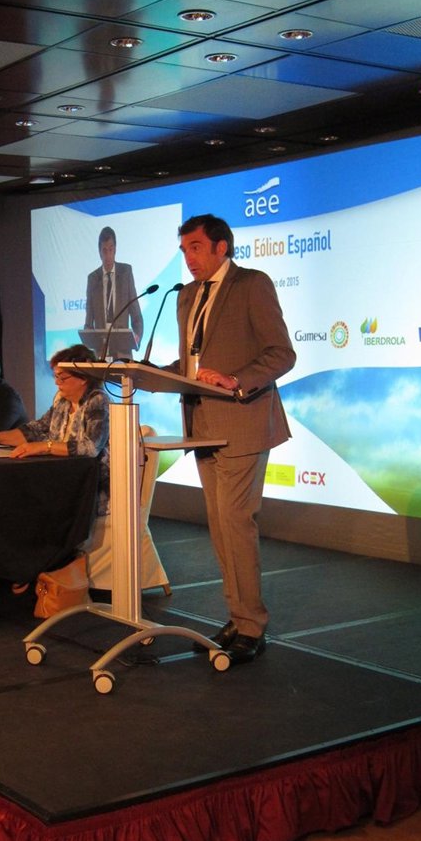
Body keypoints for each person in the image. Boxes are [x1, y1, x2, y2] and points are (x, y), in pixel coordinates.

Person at [169, 213, 296, 663]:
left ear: (221, 247)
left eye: (196, 247)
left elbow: (282, 354)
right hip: (201, 424)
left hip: (242, 420)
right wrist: (147, 373)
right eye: (184, 250)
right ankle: (237, 615)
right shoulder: (187, 295)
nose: (189, 258)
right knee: (222, 528)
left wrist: (236, 380)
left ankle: (251, 625)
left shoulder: (252, 285)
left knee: (236, 524)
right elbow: (192, 363)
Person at [0, 343, 109, 514]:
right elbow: (36, 430)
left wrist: (45, 447)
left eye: (62, 378)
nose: (56, 382)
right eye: (55, 376)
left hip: (91, 488)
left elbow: (90, 447)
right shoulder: (62, 401)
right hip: (63, 481)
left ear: (83, 378)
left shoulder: (98, 400)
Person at [84, 226, 143, 358]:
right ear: (99, 252)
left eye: (111, 249)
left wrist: (137, 335)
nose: (108, 255)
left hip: (123, 348)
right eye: (104, 250)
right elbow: (89, 320)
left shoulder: (126, 272)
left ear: (115, 249)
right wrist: (88, 338)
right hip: (101, 349)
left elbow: (136, 312)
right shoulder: (93, 278)